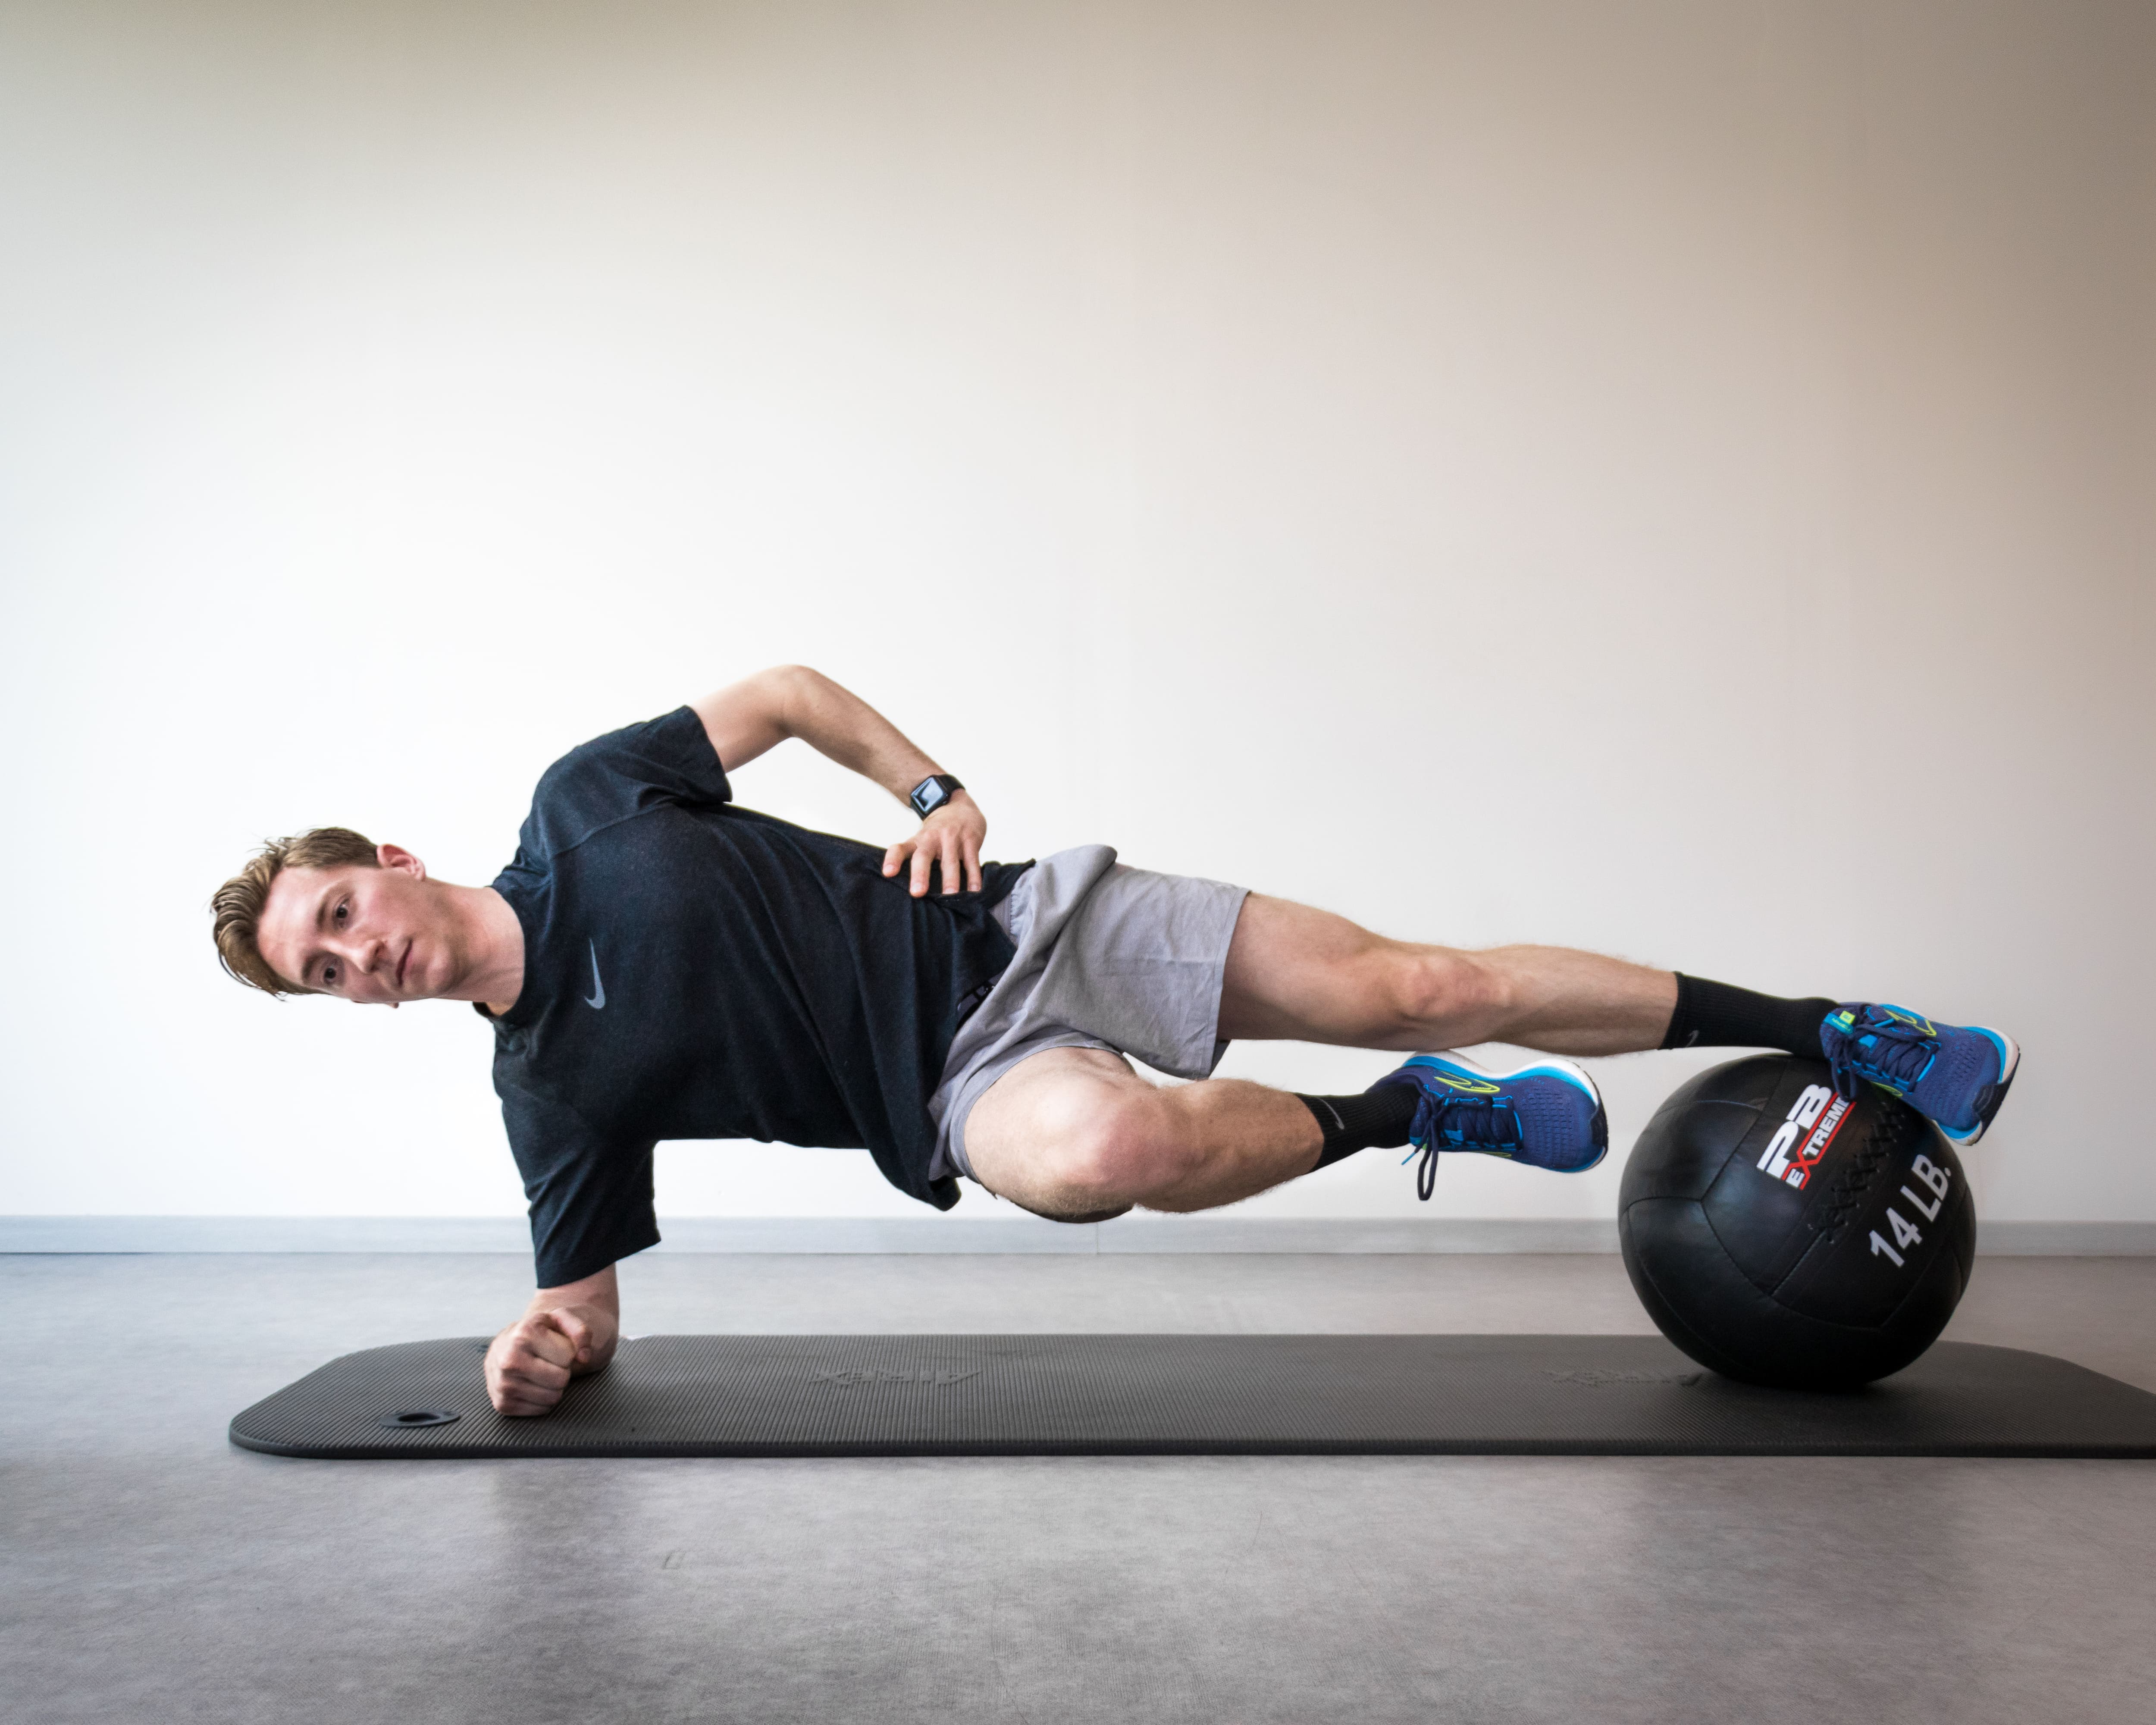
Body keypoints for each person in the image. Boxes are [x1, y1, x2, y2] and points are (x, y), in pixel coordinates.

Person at [210, 665, 2020, 1415]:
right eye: (321, 976)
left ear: (387, 861)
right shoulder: (544, 1087)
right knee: (1105, 1157)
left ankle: (1832, 1031)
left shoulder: (584, 802)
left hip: (1021, 921)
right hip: (957, 1088)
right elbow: (583, 1305)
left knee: (1425, 977)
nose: (355, 961)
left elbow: (772, 695)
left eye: (338, 918)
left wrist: (926, 787)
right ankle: (1406, 1118)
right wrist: (540, 1346)